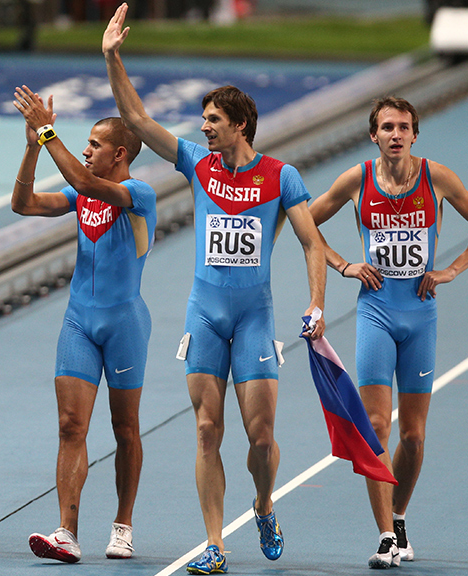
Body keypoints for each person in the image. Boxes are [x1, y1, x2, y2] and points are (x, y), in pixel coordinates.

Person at [102, 4, 327, 573]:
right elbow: (137, 117)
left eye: (213, 120)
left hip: (254, 314)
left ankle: (264, 503)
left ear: (240, 125)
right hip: (205, 313)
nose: (203, 127)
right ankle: (215, 544)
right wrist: (112, 56)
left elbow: (310, 243)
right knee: (206, 429)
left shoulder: (281, 176)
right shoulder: (198, 166)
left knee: (259, 438)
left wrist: (317, 301)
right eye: (203, 120)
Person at [309, 96, 468, 569]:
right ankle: (383, 537)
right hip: (375, 310)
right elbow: (305, 223)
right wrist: (344, 264)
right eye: (387, 127)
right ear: (373, 135)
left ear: (415, 134)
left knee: (413, 436)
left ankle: (398, 517)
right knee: (375, 425)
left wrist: (453, 268)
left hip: (420, 316)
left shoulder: (437, 178)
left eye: (404, 127)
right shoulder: (358, 180)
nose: (396, 134)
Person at [11, 86, 157, 562]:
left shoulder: (138, 194)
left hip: (125, 324)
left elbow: (89, 184)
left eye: (93, 145)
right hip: (79, 321)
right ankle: (66, 532)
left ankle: (123, 524)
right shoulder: (81, 196)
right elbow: (23, 203)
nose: (85, 151)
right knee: (71, 426)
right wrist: (33, 146)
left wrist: (49, 130)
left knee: (125, 428)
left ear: (118, 154)